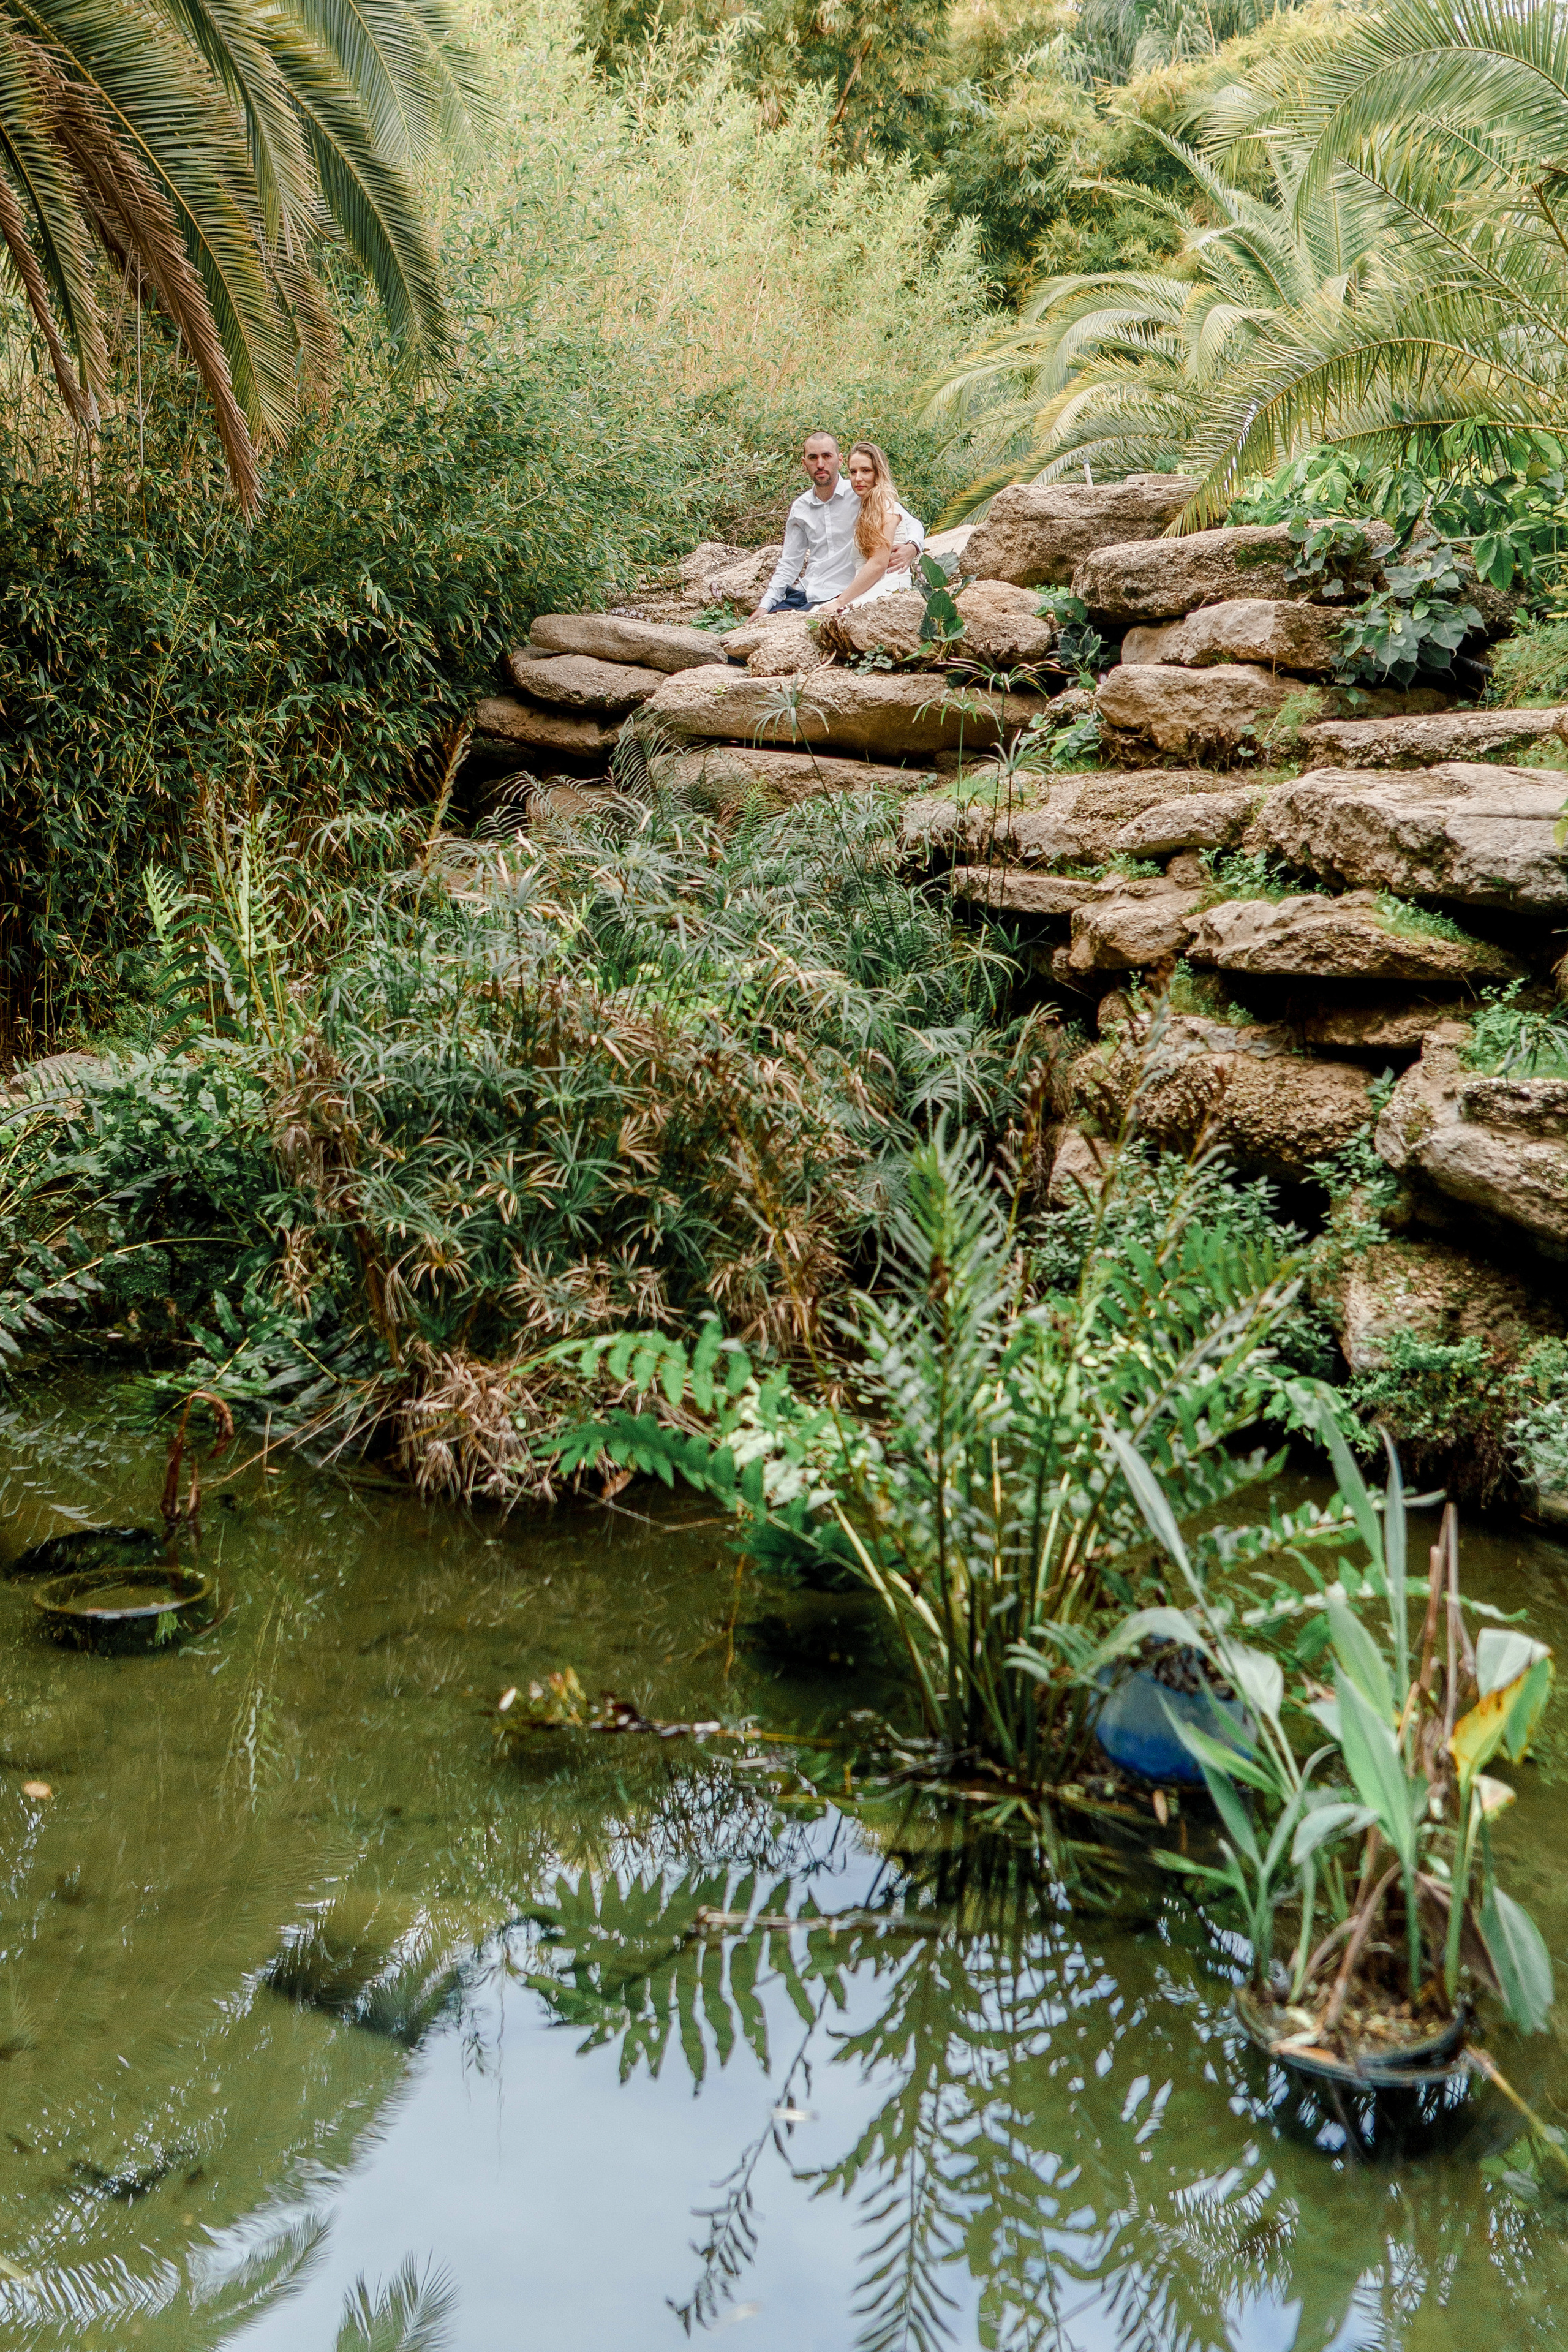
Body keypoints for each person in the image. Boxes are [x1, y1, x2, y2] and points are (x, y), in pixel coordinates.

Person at [752, 430, 924, 617]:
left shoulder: (862, 493)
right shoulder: (800, 508)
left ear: (840, 460)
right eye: (813, 458)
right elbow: (789, 563)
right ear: (804, 463)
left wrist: (913, 546)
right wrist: (766, 605)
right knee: (766, 625)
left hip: (845, 592)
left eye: (827, 456)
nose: (820, 464)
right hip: (808, 592)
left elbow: (908, 521)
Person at [818, 443, 924, 616]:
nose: (858, 478)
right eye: (853, 472)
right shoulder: (866, 505)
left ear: (878, 473)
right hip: (866, 586)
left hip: (887, 587)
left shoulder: (885, 507)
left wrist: (913, 546)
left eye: (866, 471)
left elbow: (878, 564)